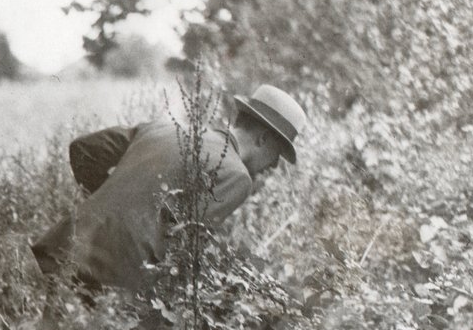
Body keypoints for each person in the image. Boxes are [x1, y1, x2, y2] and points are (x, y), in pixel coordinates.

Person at [30, 84, 307, 294]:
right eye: (277, 155)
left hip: (60, 247)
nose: (273, 167)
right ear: (263, 139)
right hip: (110, 282)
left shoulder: (163, 129)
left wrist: (112, 200)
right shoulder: (238, 177)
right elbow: (182, 245)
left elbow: (85, 149)